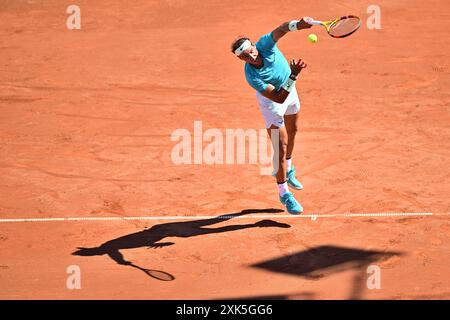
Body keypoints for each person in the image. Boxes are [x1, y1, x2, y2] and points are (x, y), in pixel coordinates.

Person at [231, 17, 313, 214]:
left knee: (293, 131)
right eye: (243, 55)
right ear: (241, 59)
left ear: (254, 45)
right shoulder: (252, 76)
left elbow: (281, 29)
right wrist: (293, 75)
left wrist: (298, 25)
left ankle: (289, 169)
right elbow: (278, 98)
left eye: (249, 49)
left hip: (290, 91)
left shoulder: (265, 44)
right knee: (280, 145)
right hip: (273, 103)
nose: (249, 55)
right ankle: (284, 193)